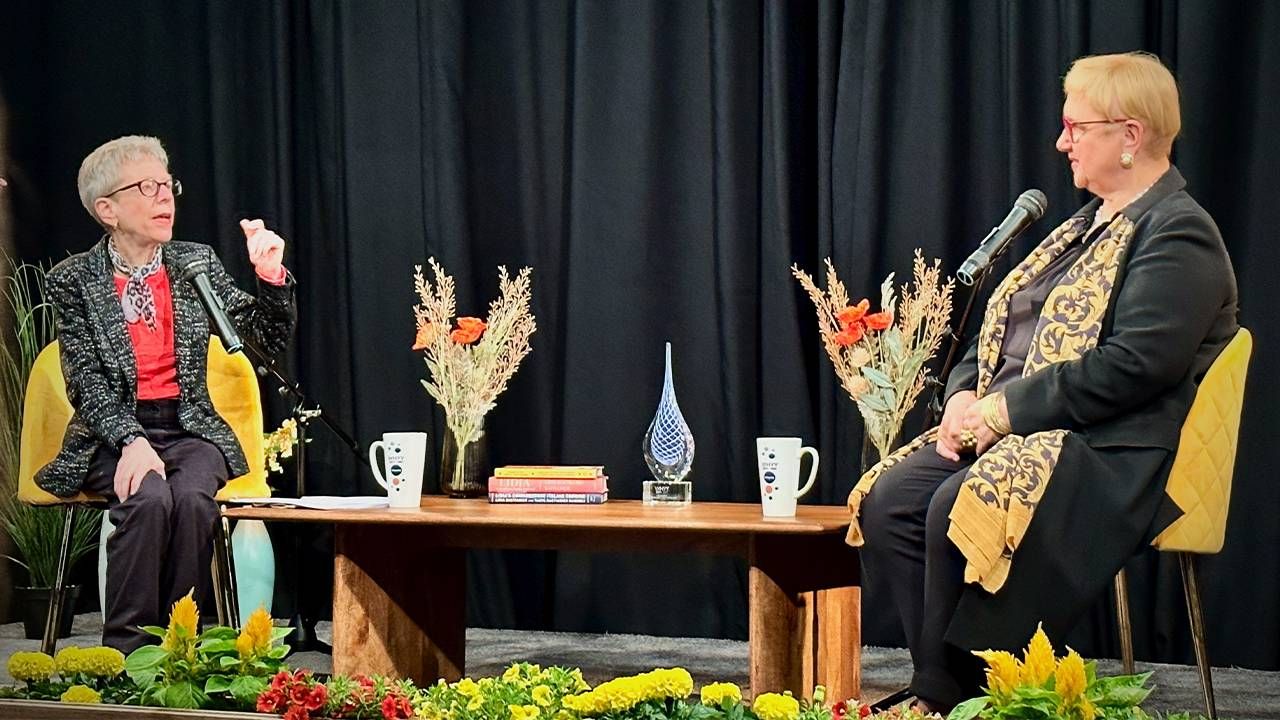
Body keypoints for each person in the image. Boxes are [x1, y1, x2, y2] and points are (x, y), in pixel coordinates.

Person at [847, 52, 1238, 713]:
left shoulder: (1178, 232)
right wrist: (967, 393)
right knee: (892, 501)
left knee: (956, 505)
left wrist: (1002, 412)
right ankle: (949, 688)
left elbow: (1135, 365)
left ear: (1130, 135)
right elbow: (996, 331)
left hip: (1111, 447)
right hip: (1024, 427)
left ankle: (955, 698)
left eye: (1076, 127)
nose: (1062, 143)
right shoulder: (1080, 229)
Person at [38, 135, 296, 653]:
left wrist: (270, 277)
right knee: (150, 498)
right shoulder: (73, 280)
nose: (165, 197)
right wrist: (131, 440)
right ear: (106, 208)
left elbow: (262, 342)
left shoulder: (193, 261)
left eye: (167, 184)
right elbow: (84, 379)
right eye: (147, 187)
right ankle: (128, 653)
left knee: (194, 499)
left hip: (188, 427)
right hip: (111, 434)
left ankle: (182, 650)